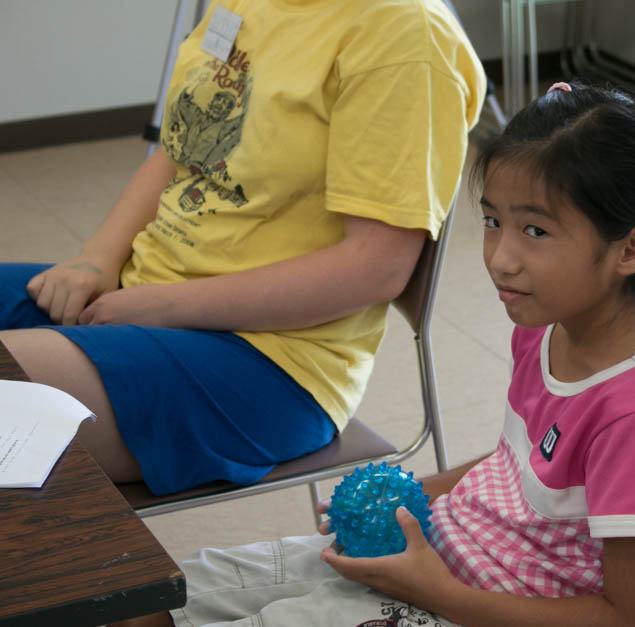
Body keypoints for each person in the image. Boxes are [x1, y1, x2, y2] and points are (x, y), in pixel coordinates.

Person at [113, 82, 635, 627]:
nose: (500, 257)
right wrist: (413, 493)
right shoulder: (549, 323)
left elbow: (633, 620)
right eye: (492, 221)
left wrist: (435, 590)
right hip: (443, 557)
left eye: (534, 231)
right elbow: (522, 467)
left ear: (632, 249)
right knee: (158, 597)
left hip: (467, 605)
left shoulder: (634, 413)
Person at [0, 0, 486, 495]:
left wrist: (158, 306)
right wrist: (95, 260)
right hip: (148, 291)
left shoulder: (404, 35)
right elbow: (178, 154)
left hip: (272, 363)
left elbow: (375, 268)